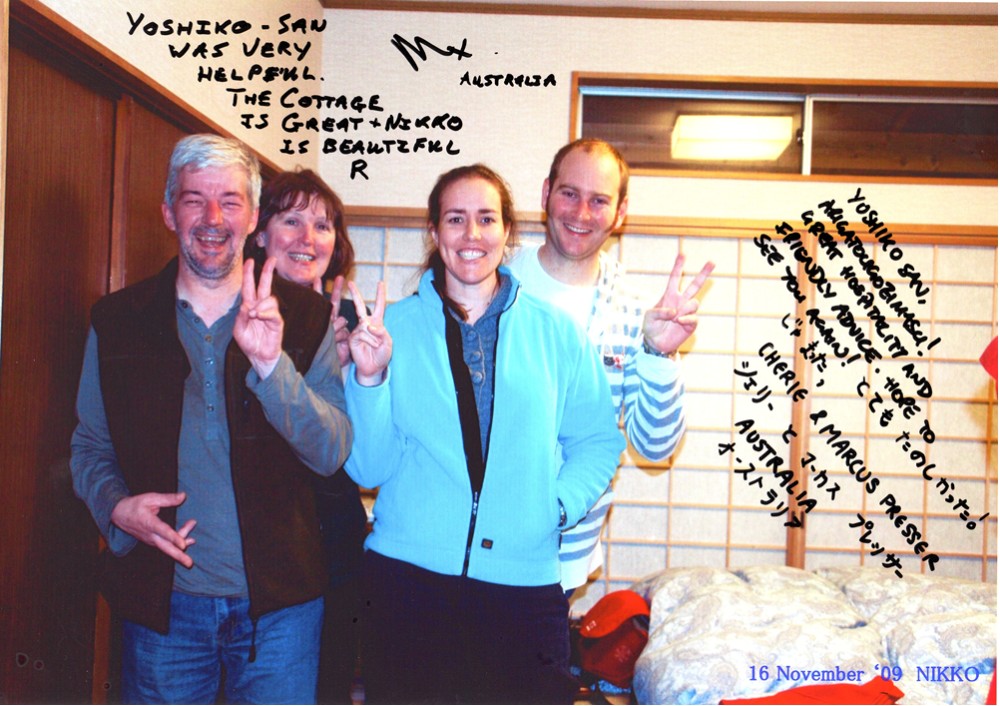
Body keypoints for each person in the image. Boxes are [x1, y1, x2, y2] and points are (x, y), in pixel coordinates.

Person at [69, 134, 353, 704]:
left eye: (230, 201)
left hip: (282, 610)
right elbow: (89, 447)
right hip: (163, 606)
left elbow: (331, 451)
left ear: (252, 217)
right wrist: (115, 507)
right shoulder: (118, 320)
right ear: (168, 213)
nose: (213, 219)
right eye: (194, 200)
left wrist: (271, 365)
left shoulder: (306, 318)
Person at [343, 164, 624, 704]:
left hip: (523, 587)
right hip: (405, 584)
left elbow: (597, 441)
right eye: (455, 219)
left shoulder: (557, 333)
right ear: (434, 232)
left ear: (507, 231)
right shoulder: (391, 329)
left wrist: (556, 506)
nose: (471, 234)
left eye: (486, 219)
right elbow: (368, 468)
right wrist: (369, 378)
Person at [507, 138, 714, 594]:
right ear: (545, 193)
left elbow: (655, 447)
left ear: (620, 212)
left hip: (563, 557)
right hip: (469, 546)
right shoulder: (495, 284)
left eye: (599, 200)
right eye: (569, 193)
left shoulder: (635, 312)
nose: (581, 213)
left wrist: (659, 354)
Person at [245, 168, 365, 704]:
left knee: (328, 679)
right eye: (291, 221)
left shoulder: (354, 318)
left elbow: (361, 437)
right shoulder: (235, 308)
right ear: (259, 231)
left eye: (322, 225)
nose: (308, 238)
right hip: (262, 527)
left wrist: (348, 371)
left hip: (331, 523)